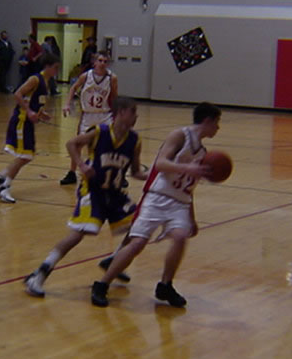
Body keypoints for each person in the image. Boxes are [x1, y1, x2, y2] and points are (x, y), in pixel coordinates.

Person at [91, 102, 222, 308]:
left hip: (180, 203)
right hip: (157, 196)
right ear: (207, 121)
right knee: (137, 243)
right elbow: (160, 164)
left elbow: (189, 188)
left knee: (180, 237)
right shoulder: (180, 136)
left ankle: (165, 285)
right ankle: (102, 284)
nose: (218, 128)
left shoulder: (203, 152)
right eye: (217, 123)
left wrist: (192, 217)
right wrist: (187, 168)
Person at [24, 96, 147, 297]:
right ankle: (40, 273)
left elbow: (135, 172)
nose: (136, 117)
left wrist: (155, 176)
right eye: (133, 112)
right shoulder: (99, 132)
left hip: (115, 194)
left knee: (138, 228)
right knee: (78, 234)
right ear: (121, 112)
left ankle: (114, 260)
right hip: (93, 192)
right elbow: (71, 144)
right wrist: (81, 165)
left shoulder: (135, 140)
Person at [0, 53, 59, 203]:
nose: (57, 71)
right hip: (21, 120)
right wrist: (29, 111)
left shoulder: (46, 82)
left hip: (28, 123)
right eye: (55, 67)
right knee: (25, 156)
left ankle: (1, 176)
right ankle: (4, 187)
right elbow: (18, 94)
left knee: (28, 155)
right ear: (47, 66)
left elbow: (34, 101)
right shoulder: (35, 79)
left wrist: (41, 114)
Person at [59, 51, 117, 186]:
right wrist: (67, 104)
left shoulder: (112, 78)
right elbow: (73, 88)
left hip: (105, 115)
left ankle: (115, 174)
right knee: (78, 144)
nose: (102, 64)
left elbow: (114, 96)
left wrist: (117, 113)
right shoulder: (86, 76)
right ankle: (72, 173)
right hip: (88, 114)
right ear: (94, 62)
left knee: (111, 145)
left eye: (105, 61)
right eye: (100, 60)